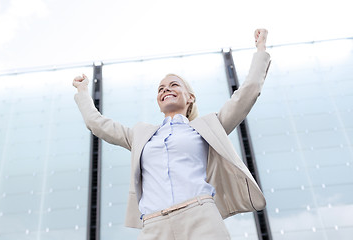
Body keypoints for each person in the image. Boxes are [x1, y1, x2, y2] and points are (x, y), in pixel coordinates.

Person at [73, 29, 271, 240]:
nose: (166, 89)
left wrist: (261, 49)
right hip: (154, 226)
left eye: (174, 85)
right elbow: (97, 124)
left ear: (190, 97)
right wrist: (83, 92)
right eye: (161, 89)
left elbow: (247, 93)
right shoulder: (140, 135)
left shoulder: (208, 127)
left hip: (201, 218)